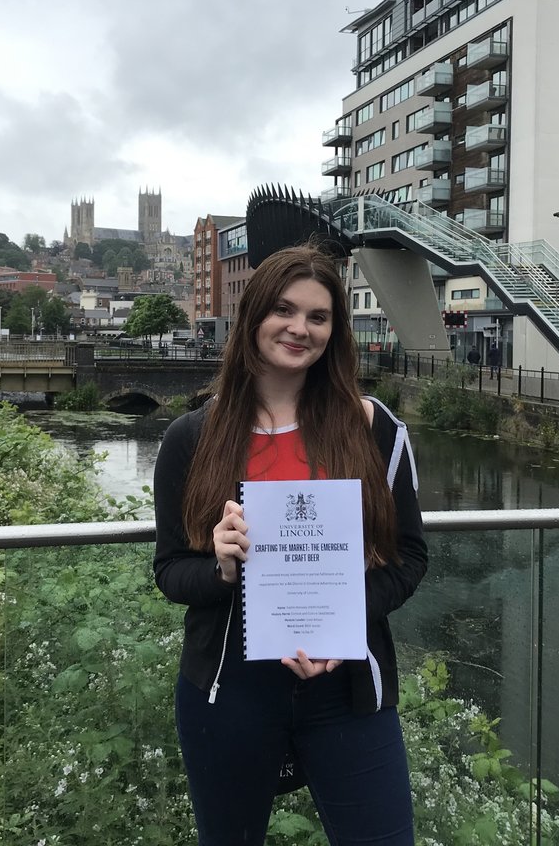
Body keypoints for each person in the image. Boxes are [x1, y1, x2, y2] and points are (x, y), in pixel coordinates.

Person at [153, 244, 427, 845]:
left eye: (319, 316)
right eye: (284, 309)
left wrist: (345, 622)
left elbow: (409, 560)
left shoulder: (376, 429)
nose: (300, 328)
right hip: (229, 693)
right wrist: (222, 568)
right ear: (253, 315)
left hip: (348, 689)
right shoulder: (191, 438)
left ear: (336, 329)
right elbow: (171, 571)